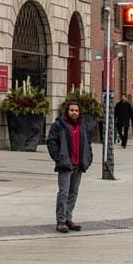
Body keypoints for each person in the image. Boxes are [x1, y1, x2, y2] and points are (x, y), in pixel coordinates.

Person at [46, 100, 92, 233]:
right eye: (72, 110)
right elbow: (51, 141)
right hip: (65, 164)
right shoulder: (59, 125)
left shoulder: (83, 126)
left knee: (73, 193)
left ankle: (68, 218)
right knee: (63, 192)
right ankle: (60, 221)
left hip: (79, 164)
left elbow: (88, 143)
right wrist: (58, 157)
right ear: (67, 111)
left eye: (76, 111)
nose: (74, 113)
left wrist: (88, 159)